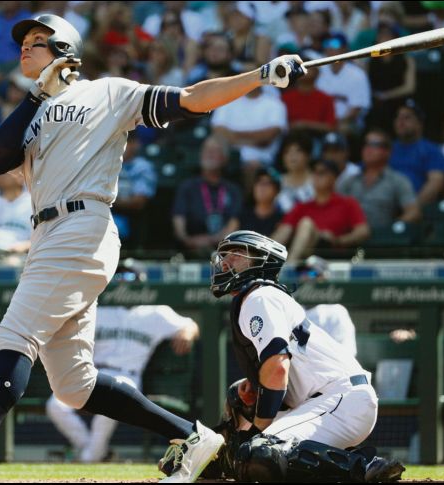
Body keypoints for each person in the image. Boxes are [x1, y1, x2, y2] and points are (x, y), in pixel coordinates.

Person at [0, 12, 308, 484]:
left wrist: (259, 76)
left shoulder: (108, 92)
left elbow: (192, 98)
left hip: (81, 224)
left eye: (38, 40)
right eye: (24, 41)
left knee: (16, 333)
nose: (25, 47)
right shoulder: (32, 110)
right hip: (48, 233)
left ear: (65, 51)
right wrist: (36, 95)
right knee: (74, 385)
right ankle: (192, 437)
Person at [172, 230, 403, 483]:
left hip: (340, 399)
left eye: (236, 254)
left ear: (260, 260)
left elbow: (278, 367)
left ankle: (362, 467)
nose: (225, 261)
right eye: (224, 255)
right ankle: (224, 458)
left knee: (260, 453)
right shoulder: (260, 296)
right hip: (321, 402)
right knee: (240, 397)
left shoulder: (259, 296)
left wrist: (258, 431)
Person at [46, 265, 200, 463]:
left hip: (127, 376)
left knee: (112, 403)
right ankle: (94, 452)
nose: (124, 283)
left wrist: (187, 332)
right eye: (120, 277)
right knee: (56, 406)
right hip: (92, 372)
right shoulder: (100, 309)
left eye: (130, 278)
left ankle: (89, 457)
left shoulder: (156, 312)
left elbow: (190, 324)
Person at [274, 159, 370, 263]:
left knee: (306, 223)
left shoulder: (348, 203)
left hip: (334, 255)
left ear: (334, 177)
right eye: (314, 172)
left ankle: (289, 266)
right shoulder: (302, 206)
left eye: (322, 172)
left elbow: (363, 231)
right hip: (307, 255)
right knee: (304, 224)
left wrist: (338, 239)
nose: (316, 176)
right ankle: (288, 264)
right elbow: (284, 231)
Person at [172, 135, 243, 258]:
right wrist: (187, 240)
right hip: (189, 252)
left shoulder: (233, 190)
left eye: (215, 151)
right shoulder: (187, 187)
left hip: (226, 253)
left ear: (225, 158)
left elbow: (234, 224)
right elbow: (178, 223)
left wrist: (211, 240)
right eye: (206, 150)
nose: (209, 154)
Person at [337, 129, 421, 231]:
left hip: (383, 237)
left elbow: (413, 212)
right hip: (350, 236)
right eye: (366, 144)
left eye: (374, 145)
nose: (368, 149)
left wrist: (392, 229)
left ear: (387, 152)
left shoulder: (398, 181)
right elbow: (333, 209)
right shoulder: (349, 181)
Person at [389, 99, 444, 207]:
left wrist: (412, 208)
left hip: (414, 207)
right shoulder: (386, 148)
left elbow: (435, 184)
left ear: (419, 124)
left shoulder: (431, 150)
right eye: (398, 117)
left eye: (407, 117)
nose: (400, 121)